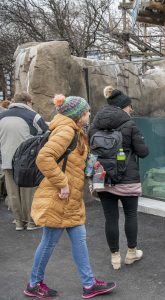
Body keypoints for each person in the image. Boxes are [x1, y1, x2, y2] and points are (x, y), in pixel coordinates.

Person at [24, 94, 116, 299]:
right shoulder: (66, 130)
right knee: (48, 241)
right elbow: (44, 157)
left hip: (70, 200)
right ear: (78, 114)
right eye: (87, 111)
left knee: (79, 239)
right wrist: (62, 183)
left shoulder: (74, 130)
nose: (89, 114)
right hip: (59, 196)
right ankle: (33, 283)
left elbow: (70, 161)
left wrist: (91, 167)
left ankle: (89, 284)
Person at [89, 87, 149, 270]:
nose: (131, 110)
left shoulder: (94, 125)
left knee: (110, 218)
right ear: (123, 106)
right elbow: (144, 153)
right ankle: (131, 253)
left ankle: (115, 257)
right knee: (130, 215)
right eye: (130, 106)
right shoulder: (129, 125)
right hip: (127, 178)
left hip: (103, 177)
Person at [0, 92, 48, 230]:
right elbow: (46, 134)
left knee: (13, 193)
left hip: (7, 161)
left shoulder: (1, 116)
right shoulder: (33, 116)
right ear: (28, 102)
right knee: (28, 192)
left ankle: (19, 222)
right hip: (27, 162)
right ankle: (32, 222)